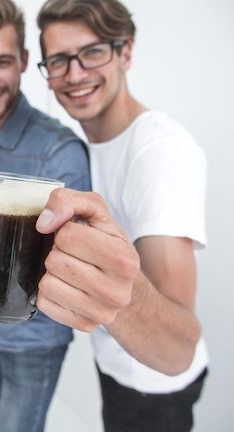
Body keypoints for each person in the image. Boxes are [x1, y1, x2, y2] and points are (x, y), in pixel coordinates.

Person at [36, 0, 208, 430]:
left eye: (92, 52)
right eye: (58, 60)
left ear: (125, 52)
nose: (74, 74)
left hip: (153, 385)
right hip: (120, 364)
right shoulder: (86, 143)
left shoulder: (157, 151)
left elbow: (177, 347)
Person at [0, 0, 91, 430]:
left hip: (35, 340)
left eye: (2, 62)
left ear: (25, 62)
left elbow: (77, 270)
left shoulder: (59, 151)